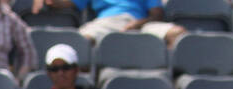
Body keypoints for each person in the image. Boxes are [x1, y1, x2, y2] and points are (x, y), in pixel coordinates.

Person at [51, 0, 185, 48]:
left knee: (179, 35)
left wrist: (137, 25)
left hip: (141, 24)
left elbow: (157, 14)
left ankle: (169, 83)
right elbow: (67, 2)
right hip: (107, 23)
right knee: (81, 42)